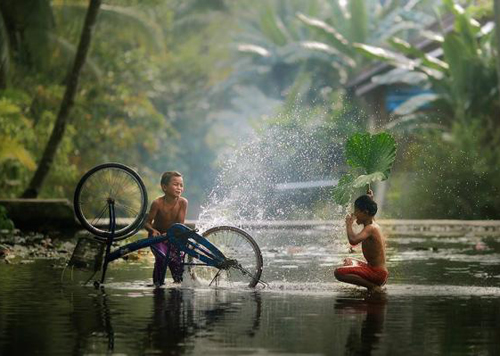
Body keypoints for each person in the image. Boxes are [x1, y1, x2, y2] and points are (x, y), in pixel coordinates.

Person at [334, 190, 388, 293]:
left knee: (338, 273)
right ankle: (369, 282)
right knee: (348, 262)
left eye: (356, 211)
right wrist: (370, 199)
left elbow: (353, 241)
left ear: (365, 212)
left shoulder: (371, 228)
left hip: (377, 274)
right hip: (375, 270)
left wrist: (348, 225)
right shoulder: (372, 223)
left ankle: (372, 286)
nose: (354, 214)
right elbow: (370, 211)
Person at [144, 171, 188, 286]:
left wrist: (170, 235)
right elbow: (147, 223)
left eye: (181, 185)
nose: (179, 188)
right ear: (164, 187)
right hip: (157, 239)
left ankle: (178, 284)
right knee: (162, 258)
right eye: (175, 184)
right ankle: (157, 286)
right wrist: (153, 231)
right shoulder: (157, 203)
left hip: (173, 238)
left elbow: (180, 226)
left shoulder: (183, 203)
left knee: (178, 262)